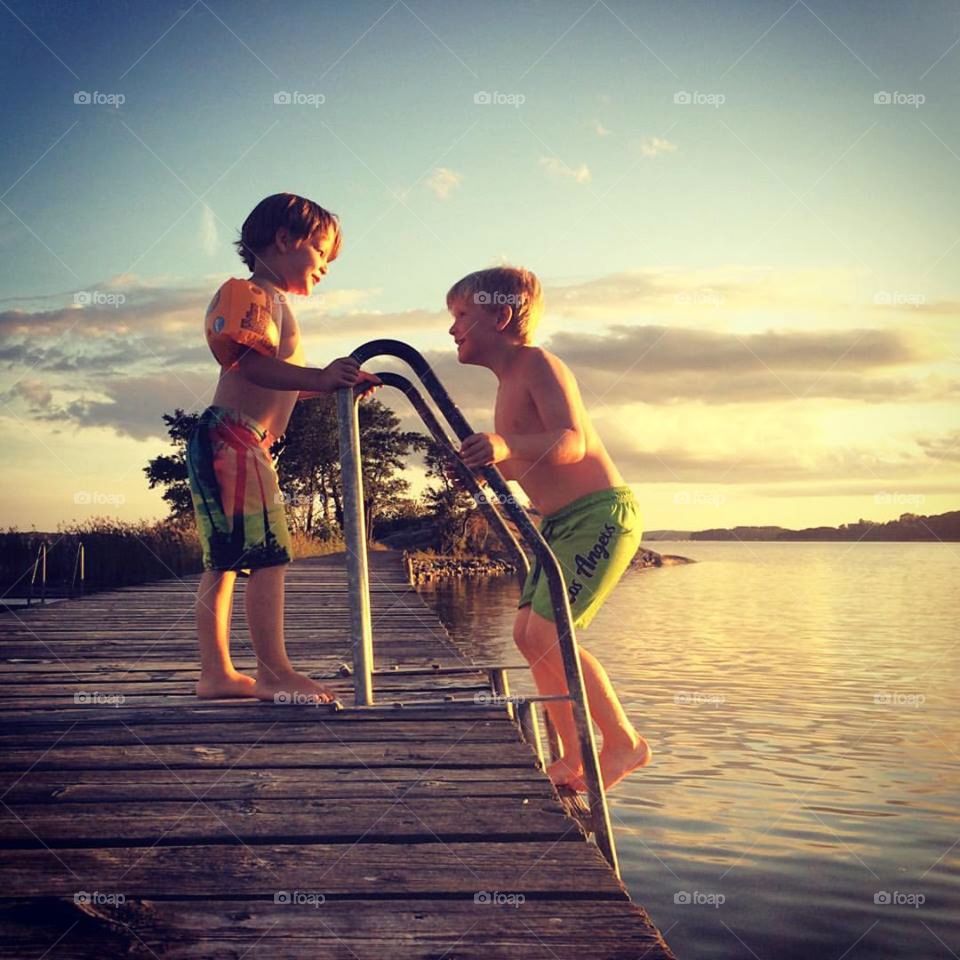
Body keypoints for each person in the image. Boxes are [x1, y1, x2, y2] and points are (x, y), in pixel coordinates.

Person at [446, 266, 651, 791]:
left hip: (600, 515)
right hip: (559, 524)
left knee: (547, 634)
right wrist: (485, 467)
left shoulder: (538, 364)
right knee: (526, 635)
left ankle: (624, 744)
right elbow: (527, 464)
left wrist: (506, 445)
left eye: (462, 316)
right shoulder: (506, 384)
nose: (453, 330)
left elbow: (570, 442)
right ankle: (574, 755)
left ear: (501, 314)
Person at [187, 192, 379, 703]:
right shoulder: (253, 294)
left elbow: (281, 381)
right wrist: (318, 372)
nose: (325, 268)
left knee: (225, 560)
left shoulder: (274, 302)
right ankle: (273, 672)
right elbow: (247, 366)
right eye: (321, 253)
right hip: (235, 437)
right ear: (286, 239)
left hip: (228, 438)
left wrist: (334, 384)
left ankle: (217, 672)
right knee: (268, 557)